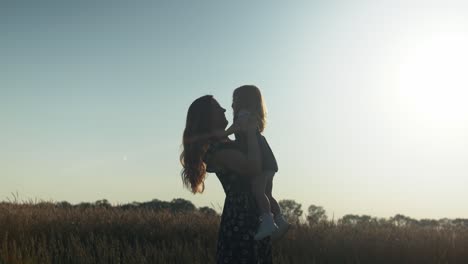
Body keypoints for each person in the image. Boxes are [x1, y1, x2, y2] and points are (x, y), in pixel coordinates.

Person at [180, 95, 272, 263]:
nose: (224, 110)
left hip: (253, 214)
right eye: (218, 108)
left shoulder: (230, 140)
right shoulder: (216, 150)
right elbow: (252, 167)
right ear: (208, 117)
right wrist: (251, 133)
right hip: (241, 218)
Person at [232, 85, 289, 240]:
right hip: (269, 160)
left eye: (234, 99)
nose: (232, 104)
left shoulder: (243, 114)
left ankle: (268, 221)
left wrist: (222, 134)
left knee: (258, 191)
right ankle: (280, 220)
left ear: (242, 100)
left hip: (262, 161)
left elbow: (236, 128)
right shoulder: (253, 115)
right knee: (267, 194)